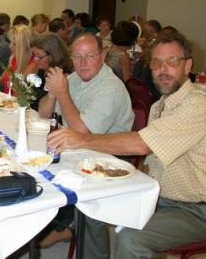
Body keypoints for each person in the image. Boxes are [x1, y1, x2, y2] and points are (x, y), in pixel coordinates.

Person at [47, 32, 206, 259]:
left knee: (131, 239)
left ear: (188, 65)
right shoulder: (161, 105)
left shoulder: (197, 105)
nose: (163, 69)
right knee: (92, 203)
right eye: (157, 62)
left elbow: (141, 145)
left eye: (172, 61)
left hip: (195, 208)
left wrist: (80, 139)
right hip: (158, 193)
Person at [37, 33, 134, 250]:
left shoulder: (111, 88)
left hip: (106, 160)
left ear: (103, 55)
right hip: (75, 149)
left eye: (90, 56)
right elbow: (43, 116)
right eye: (77, 57)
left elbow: (82, 131)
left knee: (84, 198)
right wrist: (53, 94)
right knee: (32, 166)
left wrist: (62, 93)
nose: (83, 63)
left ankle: (72, 229)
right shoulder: (73, 79)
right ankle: (59, 223)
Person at [0, 25, 38, 93]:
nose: (10, 46)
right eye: (10, 42)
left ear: (23, 46)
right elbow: (3, 79)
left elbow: (22, 95)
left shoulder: (32, 65)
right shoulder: (14, 58)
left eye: (14, 43)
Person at [30, 33, 73, 111]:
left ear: (53, 55)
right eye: (33, 55)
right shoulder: (43, 70)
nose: (35, 59)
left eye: (39, 56)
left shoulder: (64, 77)